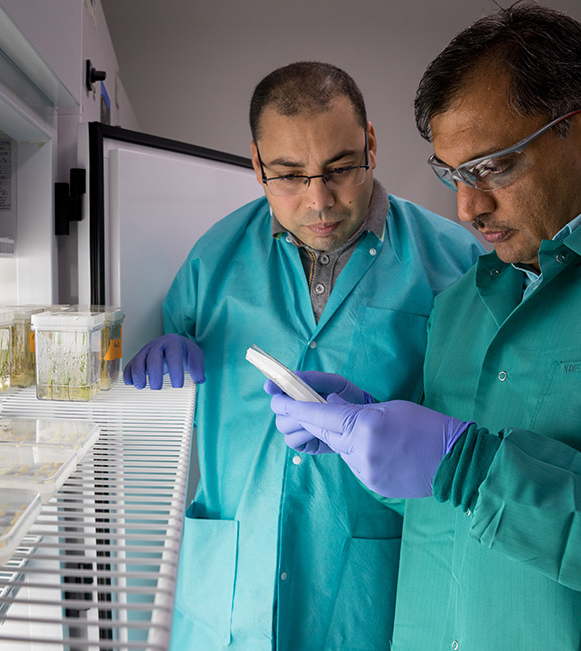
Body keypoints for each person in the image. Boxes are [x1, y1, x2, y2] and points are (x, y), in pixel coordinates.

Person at [269, 2, 581, 649]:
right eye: (454, 174)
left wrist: (471, 465)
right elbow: (448, 504)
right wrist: (372, 440)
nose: (468, 208)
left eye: (493, 166)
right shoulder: (464, 300)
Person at [123, 62, 482, 650]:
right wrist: (164, 356)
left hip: (370, 591)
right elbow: (174, 407)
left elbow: (482, 434)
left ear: (370, 143)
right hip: (228, 593)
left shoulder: (453, 261)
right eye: (289, 175)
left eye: (339, 169)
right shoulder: (212, 259)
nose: (319, 200)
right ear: (257, 164)